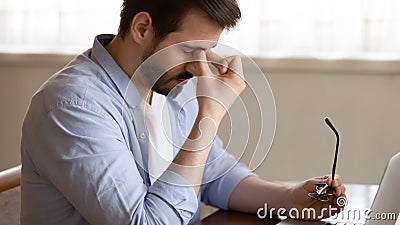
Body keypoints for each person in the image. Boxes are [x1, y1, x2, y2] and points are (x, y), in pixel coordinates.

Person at [20, 1, 346, 225]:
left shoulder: (169, 83)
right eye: (191, 50)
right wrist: (210, 114)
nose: (197, 66)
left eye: (207, 51)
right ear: (143, 27)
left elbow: (213, 176)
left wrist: (291, 198)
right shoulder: (73, 106)